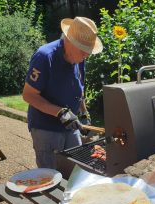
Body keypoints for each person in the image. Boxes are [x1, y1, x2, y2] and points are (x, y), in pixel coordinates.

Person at [22, 17, 103, 171]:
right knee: (50, 175)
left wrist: (84, 112)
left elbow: (79, 86)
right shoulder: (45, 57)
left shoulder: (80, 58)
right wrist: (59, 112)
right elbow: (28, 95)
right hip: (46, 128)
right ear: (69, 41)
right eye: (83, 50)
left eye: (89, 50)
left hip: (70, 125)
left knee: (76, 168)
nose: (87, 55)